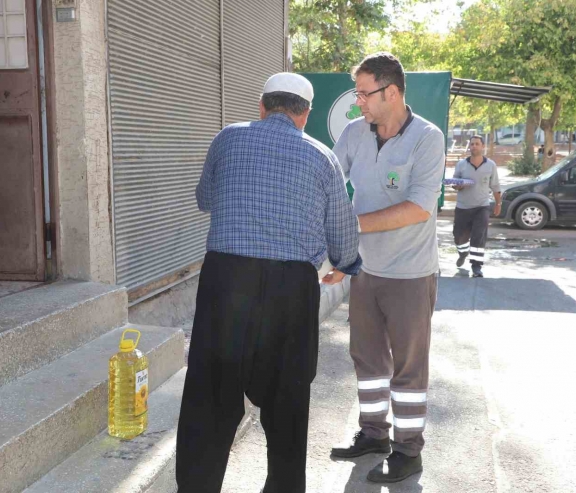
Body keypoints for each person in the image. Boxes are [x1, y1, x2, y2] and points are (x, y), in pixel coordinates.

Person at [176, 72, 362, 493]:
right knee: (287, 406)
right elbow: (344, 237)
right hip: (290, 291)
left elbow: (205, 198)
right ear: (306, 115)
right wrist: (348, 265)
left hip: (225, 281)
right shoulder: (321, 157)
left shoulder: (227, 138)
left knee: (210, 401)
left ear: (262, 105)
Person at [326, 52, 444, 484]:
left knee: (408, 367)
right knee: (367, 357)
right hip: (365, 271)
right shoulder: (356, 133)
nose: (358, 102)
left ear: (390, 92)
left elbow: (418, 209)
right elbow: (330, 178)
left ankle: (409, 451)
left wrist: (348, 226)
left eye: (363, 93)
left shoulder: (427, 139)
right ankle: (374, 434)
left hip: (411, 275)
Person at [452, 135, 501, 277]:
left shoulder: (490, 165)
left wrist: (498, 203)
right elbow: (455, 184)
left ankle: (476, 266)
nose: (474, 146)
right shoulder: (461, 164)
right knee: (459, 236)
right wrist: (459, 185)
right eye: (472, 144)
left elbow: (496, 186)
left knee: (479, 237)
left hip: (482, 207)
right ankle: (462, 252)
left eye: (477, 144)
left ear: (482, 146)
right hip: (463, 207)